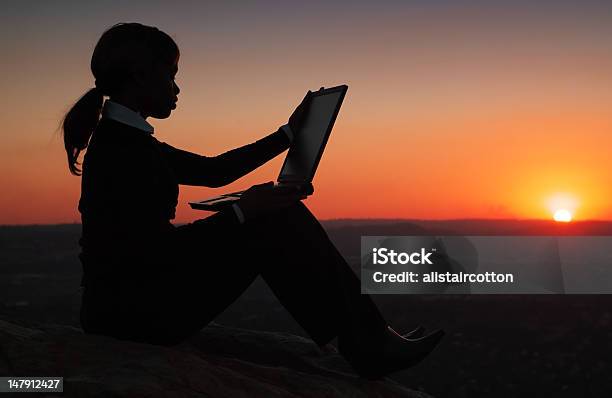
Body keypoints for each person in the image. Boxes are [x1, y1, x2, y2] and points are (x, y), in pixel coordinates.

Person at [62, 22, 443, 380]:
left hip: (131, 300)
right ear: (140, 76)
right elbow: (150, 251)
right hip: (133, 313)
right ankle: (370, 344)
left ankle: (369, 341)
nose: (177, 88)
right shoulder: (122, 151)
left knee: (277, 213)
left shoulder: (129, 141)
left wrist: (288, 134)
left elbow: (214, 172)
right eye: (171, 75)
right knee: (276, 222)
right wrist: (244, 212)